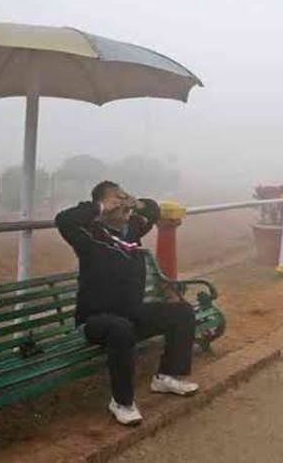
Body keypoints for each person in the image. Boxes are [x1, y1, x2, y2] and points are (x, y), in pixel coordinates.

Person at [55, 181, 198, 426]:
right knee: (121, 329)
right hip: (96, 321)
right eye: (116, 201)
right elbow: (64, 220)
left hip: (130, 313)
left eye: (124, 199)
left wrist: (137, 202)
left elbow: (152, 210)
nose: (123, 206)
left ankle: (165, 377)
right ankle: (122, 402)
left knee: (182, 312)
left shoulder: (132, 229)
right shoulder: (89, 235)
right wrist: (101, 207)